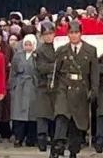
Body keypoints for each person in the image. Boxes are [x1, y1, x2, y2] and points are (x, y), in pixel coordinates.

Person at [50, 20, 99, 158]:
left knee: (77, 122)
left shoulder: (90, 50)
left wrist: (94, 90)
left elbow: (94, 72)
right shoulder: (62, 50)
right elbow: (56, 70)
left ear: (81, 33)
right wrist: (54, 86)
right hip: (64, 86)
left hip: (81, 88)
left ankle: (73, 149)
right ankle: (58, 144)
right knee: (61, 114)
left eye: (76, 32)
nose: (74, 35)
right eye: (71, 33)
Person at [9, 34, 39, 147]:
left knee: (32, 115)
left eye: (30, 44)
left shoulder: (37, 56)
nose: (27, 46)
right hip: (20, 87)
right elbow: (13, 72)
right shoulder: (17, 56)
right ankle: (18, 138)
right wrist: (12, 87)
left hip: (32, 87)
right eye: (26, 44)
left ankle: (31, 138)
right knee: (18, 114)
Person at [33, 20, 56, 151]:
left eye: (51, 33)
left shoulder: (58, 47)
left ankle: (55, 138)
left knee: (56, 114)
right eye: (46, 34)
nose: (48, 36)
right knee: (42, 114)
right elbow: (41, 68)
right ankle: (41, 138)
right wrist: (56, 65)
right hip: (43, 85)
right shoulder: (40, 51)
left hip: (57, 86)